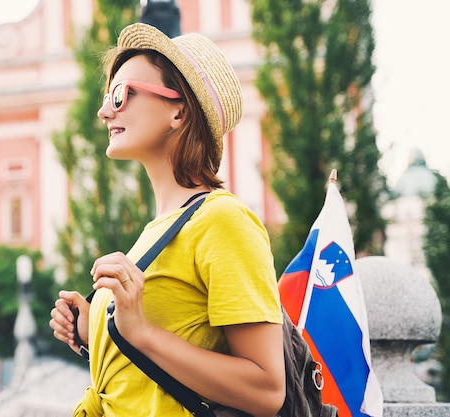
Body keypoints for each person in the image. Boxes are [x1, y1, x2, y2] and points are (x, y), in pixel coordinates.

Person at [49, 22, 285, 417]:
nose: (105, 110)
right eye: (108, 96)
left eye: (122, 94)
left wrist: (140, 331)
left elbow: (266, 389)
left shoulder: (223, 219)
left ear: (179, 110)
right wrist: (96, 332)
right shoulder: (157, 230)